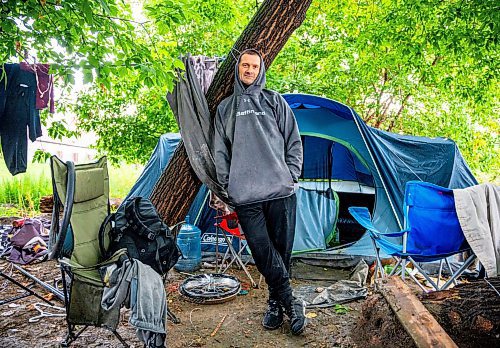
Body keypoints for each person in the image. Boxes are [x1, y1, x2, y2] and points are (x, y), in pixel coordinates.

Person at [213, 49, 306, 335]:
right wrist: (229, 185)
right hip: (246, 195)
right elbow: (220, 151)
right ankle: (291, 302)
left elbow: (294, 140)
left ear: (260, 70)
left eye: (254, 66)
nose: (249, 70)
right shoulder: (226, 108)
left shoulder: (274, 101)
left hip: (280, 191)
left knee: (281, 252)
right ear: (238, 69)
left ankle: (275, 304)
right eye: (245, 65)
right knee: (263, 252)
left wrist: (290, 175)